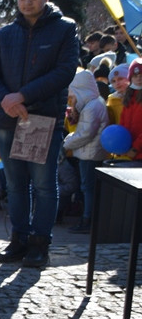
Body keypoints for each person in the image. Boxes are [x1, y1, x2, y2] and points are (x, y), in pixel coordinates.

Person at [0, 0, 79, 268]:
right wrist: (7, 100)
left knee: (44, 185)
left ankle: (40, 243)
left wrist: (22, 96)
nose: (27, 3)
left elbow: (64, 72)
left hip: (43, 120)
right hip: (8, 120)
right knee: (14, 185)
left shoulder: (64, 29)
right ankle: (19, 240)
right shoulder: (5, 34)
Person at [63, 68, 109, 233]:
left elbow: (85, 134)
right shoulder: (92, 103)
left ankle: (87, 220)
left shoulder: (92, 106)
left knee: (88, 188)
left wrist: (65, 144)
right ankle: (87, 218)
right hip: (88, 152)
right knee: (87, 187)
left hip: (90, 154)